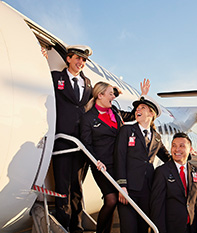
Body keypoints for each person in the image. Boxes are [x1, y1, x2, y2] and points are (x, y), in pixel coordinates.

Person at [79, 79, 150, 233]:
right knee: (111, 199)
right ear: (100, 96)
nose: (113, 97)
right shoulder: (88, 118)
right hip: (101, 164)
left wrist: (142, 97)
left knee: (118, 199)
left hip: (119, 162)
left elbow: (134, 115)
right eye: (111, 94)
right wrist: (95, 160)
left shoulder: (115, 113)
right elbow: (86, 143)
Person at [114, 95, 171, 233]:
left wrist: (186, 156)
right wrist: (122, 186)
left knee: (143, 228)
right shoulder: (126, 131)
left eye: (142, 108)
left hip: (147, 190)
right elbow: (119, 158)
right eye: (137, 108)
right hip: (129, 189)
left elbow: (167, 158)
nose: (137, 110)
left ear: (152, 113)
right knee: (128, 228)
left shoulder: (156, 137)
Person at [52, 45, 92, 232]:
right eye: (77, 58)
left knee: (77, 188)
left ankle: (76, 227)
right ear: (68, 59)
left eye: (83, 60)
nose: (80, 62)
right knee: (62, 187)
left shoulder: (88, 83)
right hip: (62, 141)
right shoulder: (55, 78)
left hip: (80, 144)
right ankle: (63, 225)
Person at [150, 133, 197, 233]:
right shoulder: (162, 172)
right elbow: (157, 206)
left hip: (191, 227)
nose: (177, 149)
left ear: (190, 149)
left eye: (181, 146)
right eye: (174, 145)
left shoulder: (195, 171)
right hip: (170, 228)